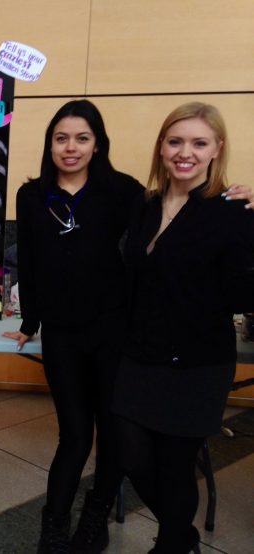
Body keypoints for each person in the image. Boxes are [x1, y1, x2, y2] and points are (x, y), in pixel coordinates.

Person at [113, 102, 254, 553]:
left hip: (197, 363)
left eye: (198, 142)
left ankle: (172, 544)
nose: (185, 153)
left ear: (217, 149)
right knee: (130, 457)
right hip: (140, 355)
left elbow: (243, 294)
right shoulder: (145, 204)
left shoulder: (231, 210)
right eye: (175, 141)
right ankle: (183, 535)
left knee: (175, 468)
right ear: (161, 146)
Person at [4, 100, 144, 554]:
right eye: (61, 138)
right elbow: (28, 259)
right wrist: (30, 321)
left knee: (114, 430)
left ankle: (94, 518)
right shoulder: (32, 195)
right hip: (62, 332)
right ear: (50, 144)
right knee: (75, 434)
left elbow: (173, 221)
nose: (71, 147)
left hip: (112, 330)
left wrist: (229, 198)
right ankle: (54, 525)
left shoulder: (123, 191)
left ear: (98, 143)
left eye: (82, 138)